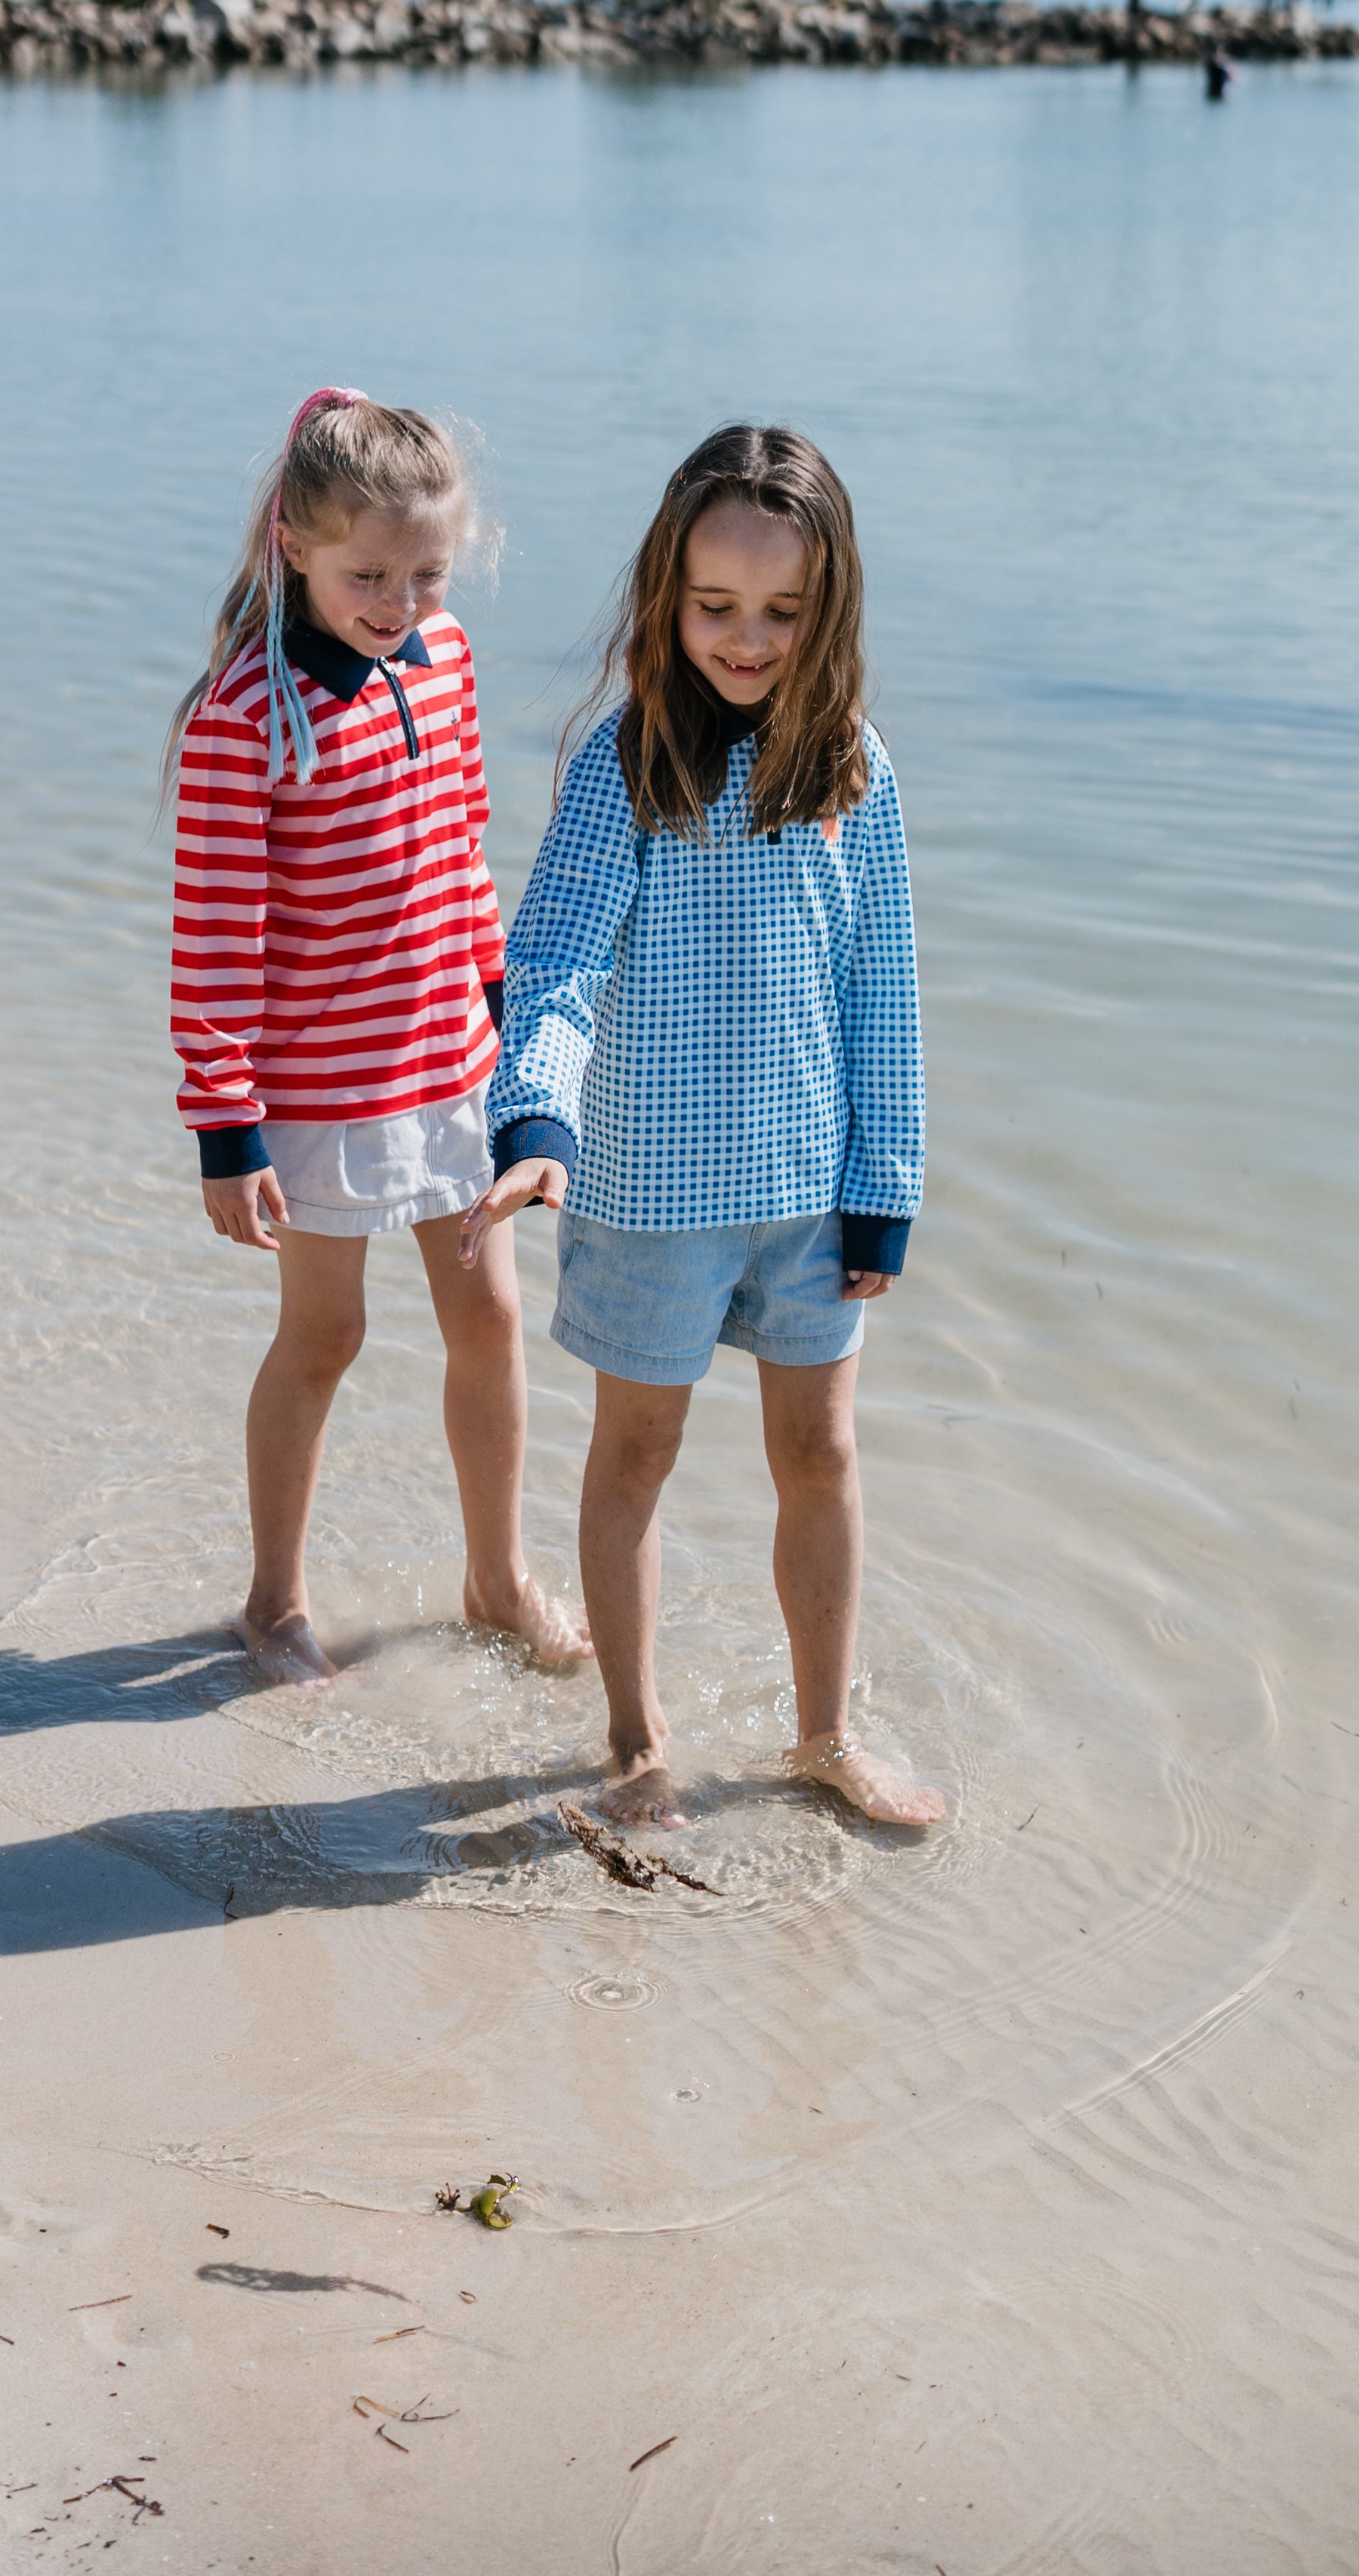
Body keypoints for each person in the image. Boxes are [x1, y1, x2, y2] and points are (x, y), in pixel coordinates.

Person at [461, 422, 941, 1829]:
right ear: (666, 594)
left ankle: (826, 1733)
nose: (747, 637)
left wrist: (886, 1184)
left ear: (831, 607)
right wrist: (534, 1120)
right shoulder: (628, 764)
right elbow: (552, 961)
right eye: (716, 605)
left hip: (808, 1190)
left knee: (825, 1456)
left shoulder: (854, 765)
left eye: (784, 611)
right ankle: (631, 1734)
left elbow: (886, 989)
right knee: (636, 1455)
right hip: (648, 1189)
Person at [168, 387, 589, 1684]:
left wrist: (508, 1020)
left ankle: (496, 1571)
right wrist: (226, 1129)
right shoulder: (247, 716)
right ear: (293, 541)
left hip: (449, 1064)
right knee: (325, 1337)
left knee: (494, 1322)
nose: (401, 603)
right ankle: (274, 1599)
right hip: (322, 1090)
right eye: (370, 574)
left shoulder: (445, 660)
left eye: (427, 572)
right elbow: (214, 940)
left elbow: (465, 856)